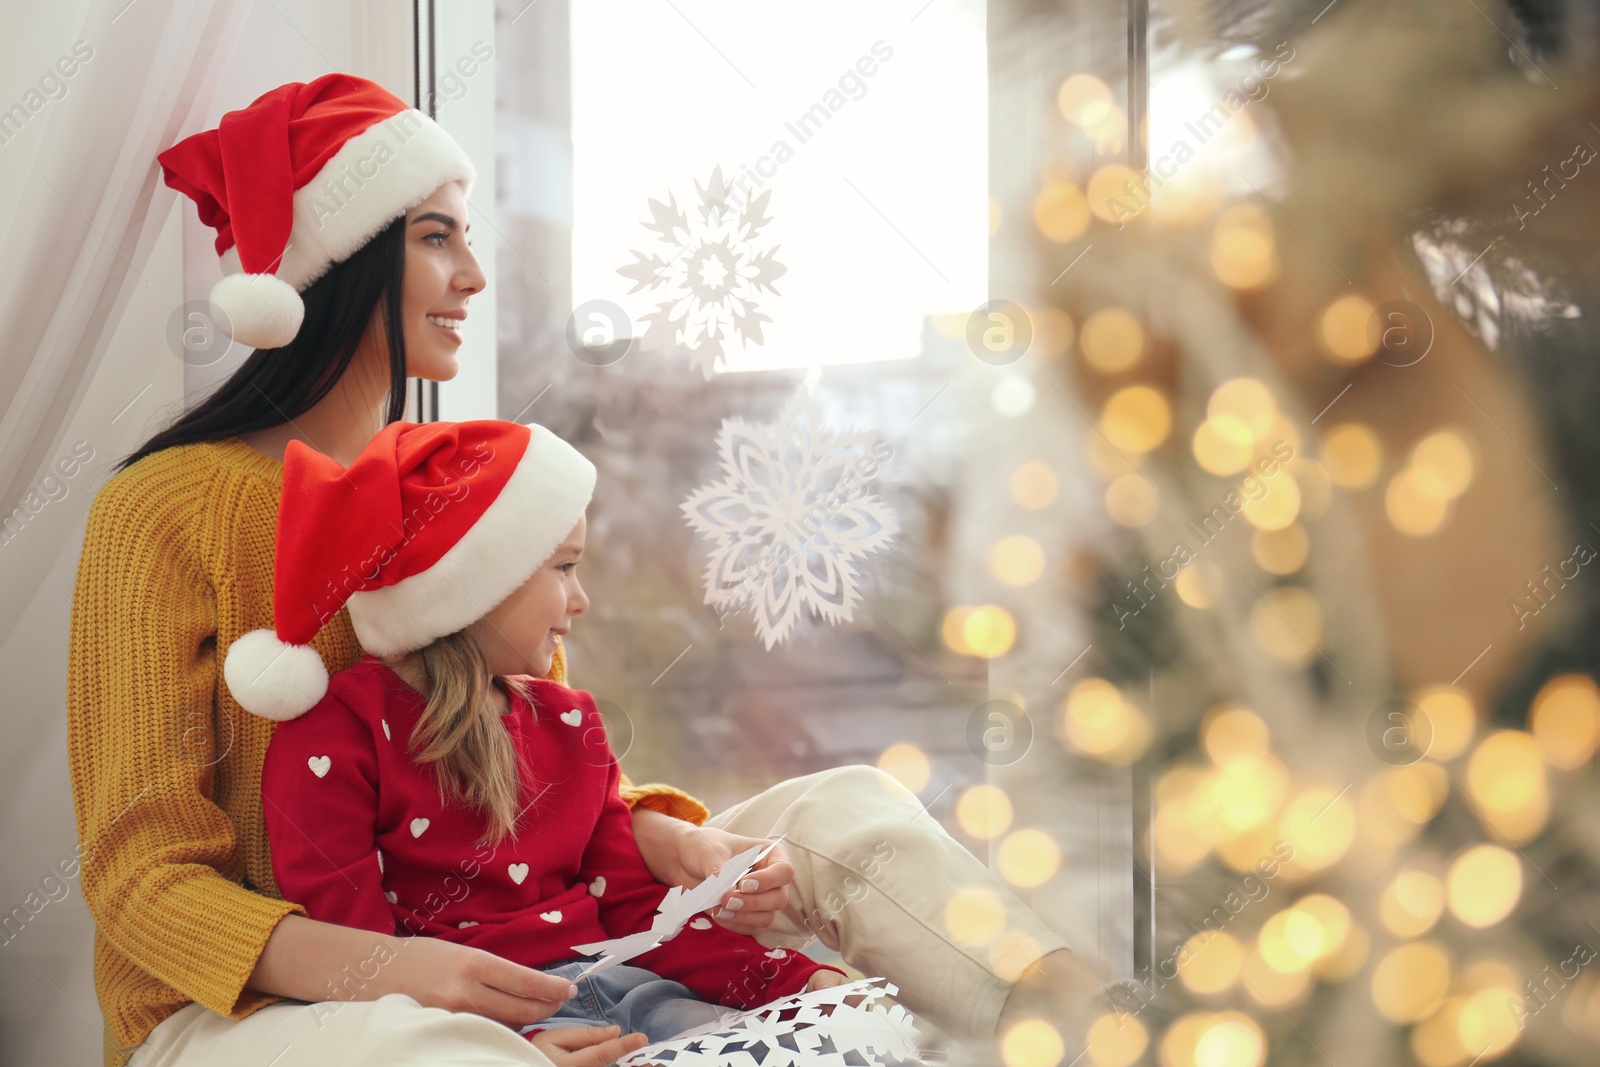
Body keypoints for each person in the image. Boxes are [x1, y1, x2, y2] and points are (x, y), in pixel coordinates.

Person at [65, 73, 1102, 1067]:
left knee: (842, 811)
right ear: (337, 263)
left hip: (509, 948)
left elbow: (532, 747)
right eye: (435, 238)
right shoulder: (159, 510)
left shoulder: (448, 486)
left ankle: (1088, 1027)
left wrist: (658, 836)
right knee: (441, 1045)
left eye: (466, 238)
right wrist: (402, 972)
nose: (472, 275)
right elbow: (141, 880)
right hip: (257, 1008)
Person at [245, 417, 847, 1064]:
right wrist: (516, 1045)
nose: (581, 598)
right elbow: (362, 959)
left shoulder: (569, 721)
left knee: (793, 1047)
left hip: (629, 989)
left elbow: (637, 907)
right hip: (468, 1025)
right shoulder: (338, 736)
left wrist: (788, 981)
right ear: (475, 584)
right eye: (563, 567)